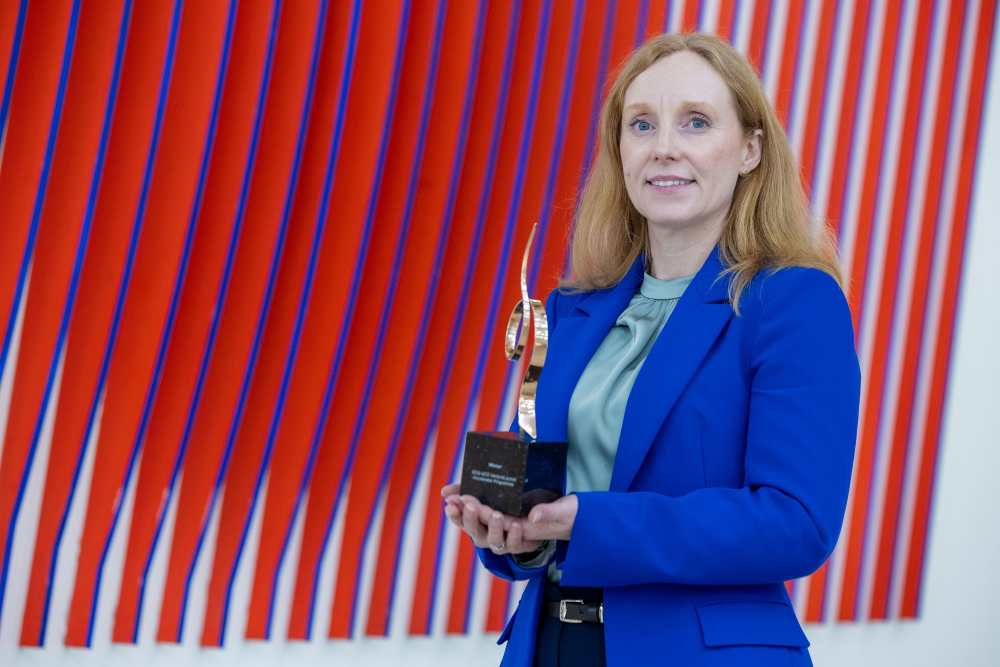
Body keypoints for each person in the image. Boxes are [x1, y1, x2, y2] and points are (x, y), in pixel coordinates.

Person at [442, 31, 860, 667]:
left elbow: (795, 522)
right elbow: (543, 489)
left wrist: (588, 520)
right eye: (641, 124)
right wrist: (510, 530)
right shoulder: (574, 309)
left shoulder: (793, 302)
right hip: (549, 646)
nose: (664, 147)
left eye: (695, 122)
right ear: (619, 150)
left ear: (749, 149)